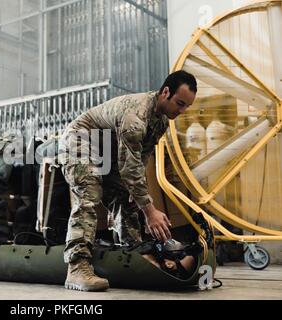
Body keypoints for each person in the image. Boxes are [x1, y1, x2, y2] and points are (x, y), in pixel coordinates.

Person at [58, 70, 197, 291]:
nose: (181, 111)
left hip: (107, 150)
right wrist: (150, 211)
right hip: (81, 139)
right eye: (179, 103)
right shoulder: (136, 117)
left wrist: (138, 195)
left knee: (127, 200)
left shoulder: (161, 121)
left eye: (186, 107)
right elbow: (129, 166)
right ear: (166, 92)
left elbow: (141, 158)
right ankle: (77, 267)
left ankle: (134, 253)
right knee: (89, 193)